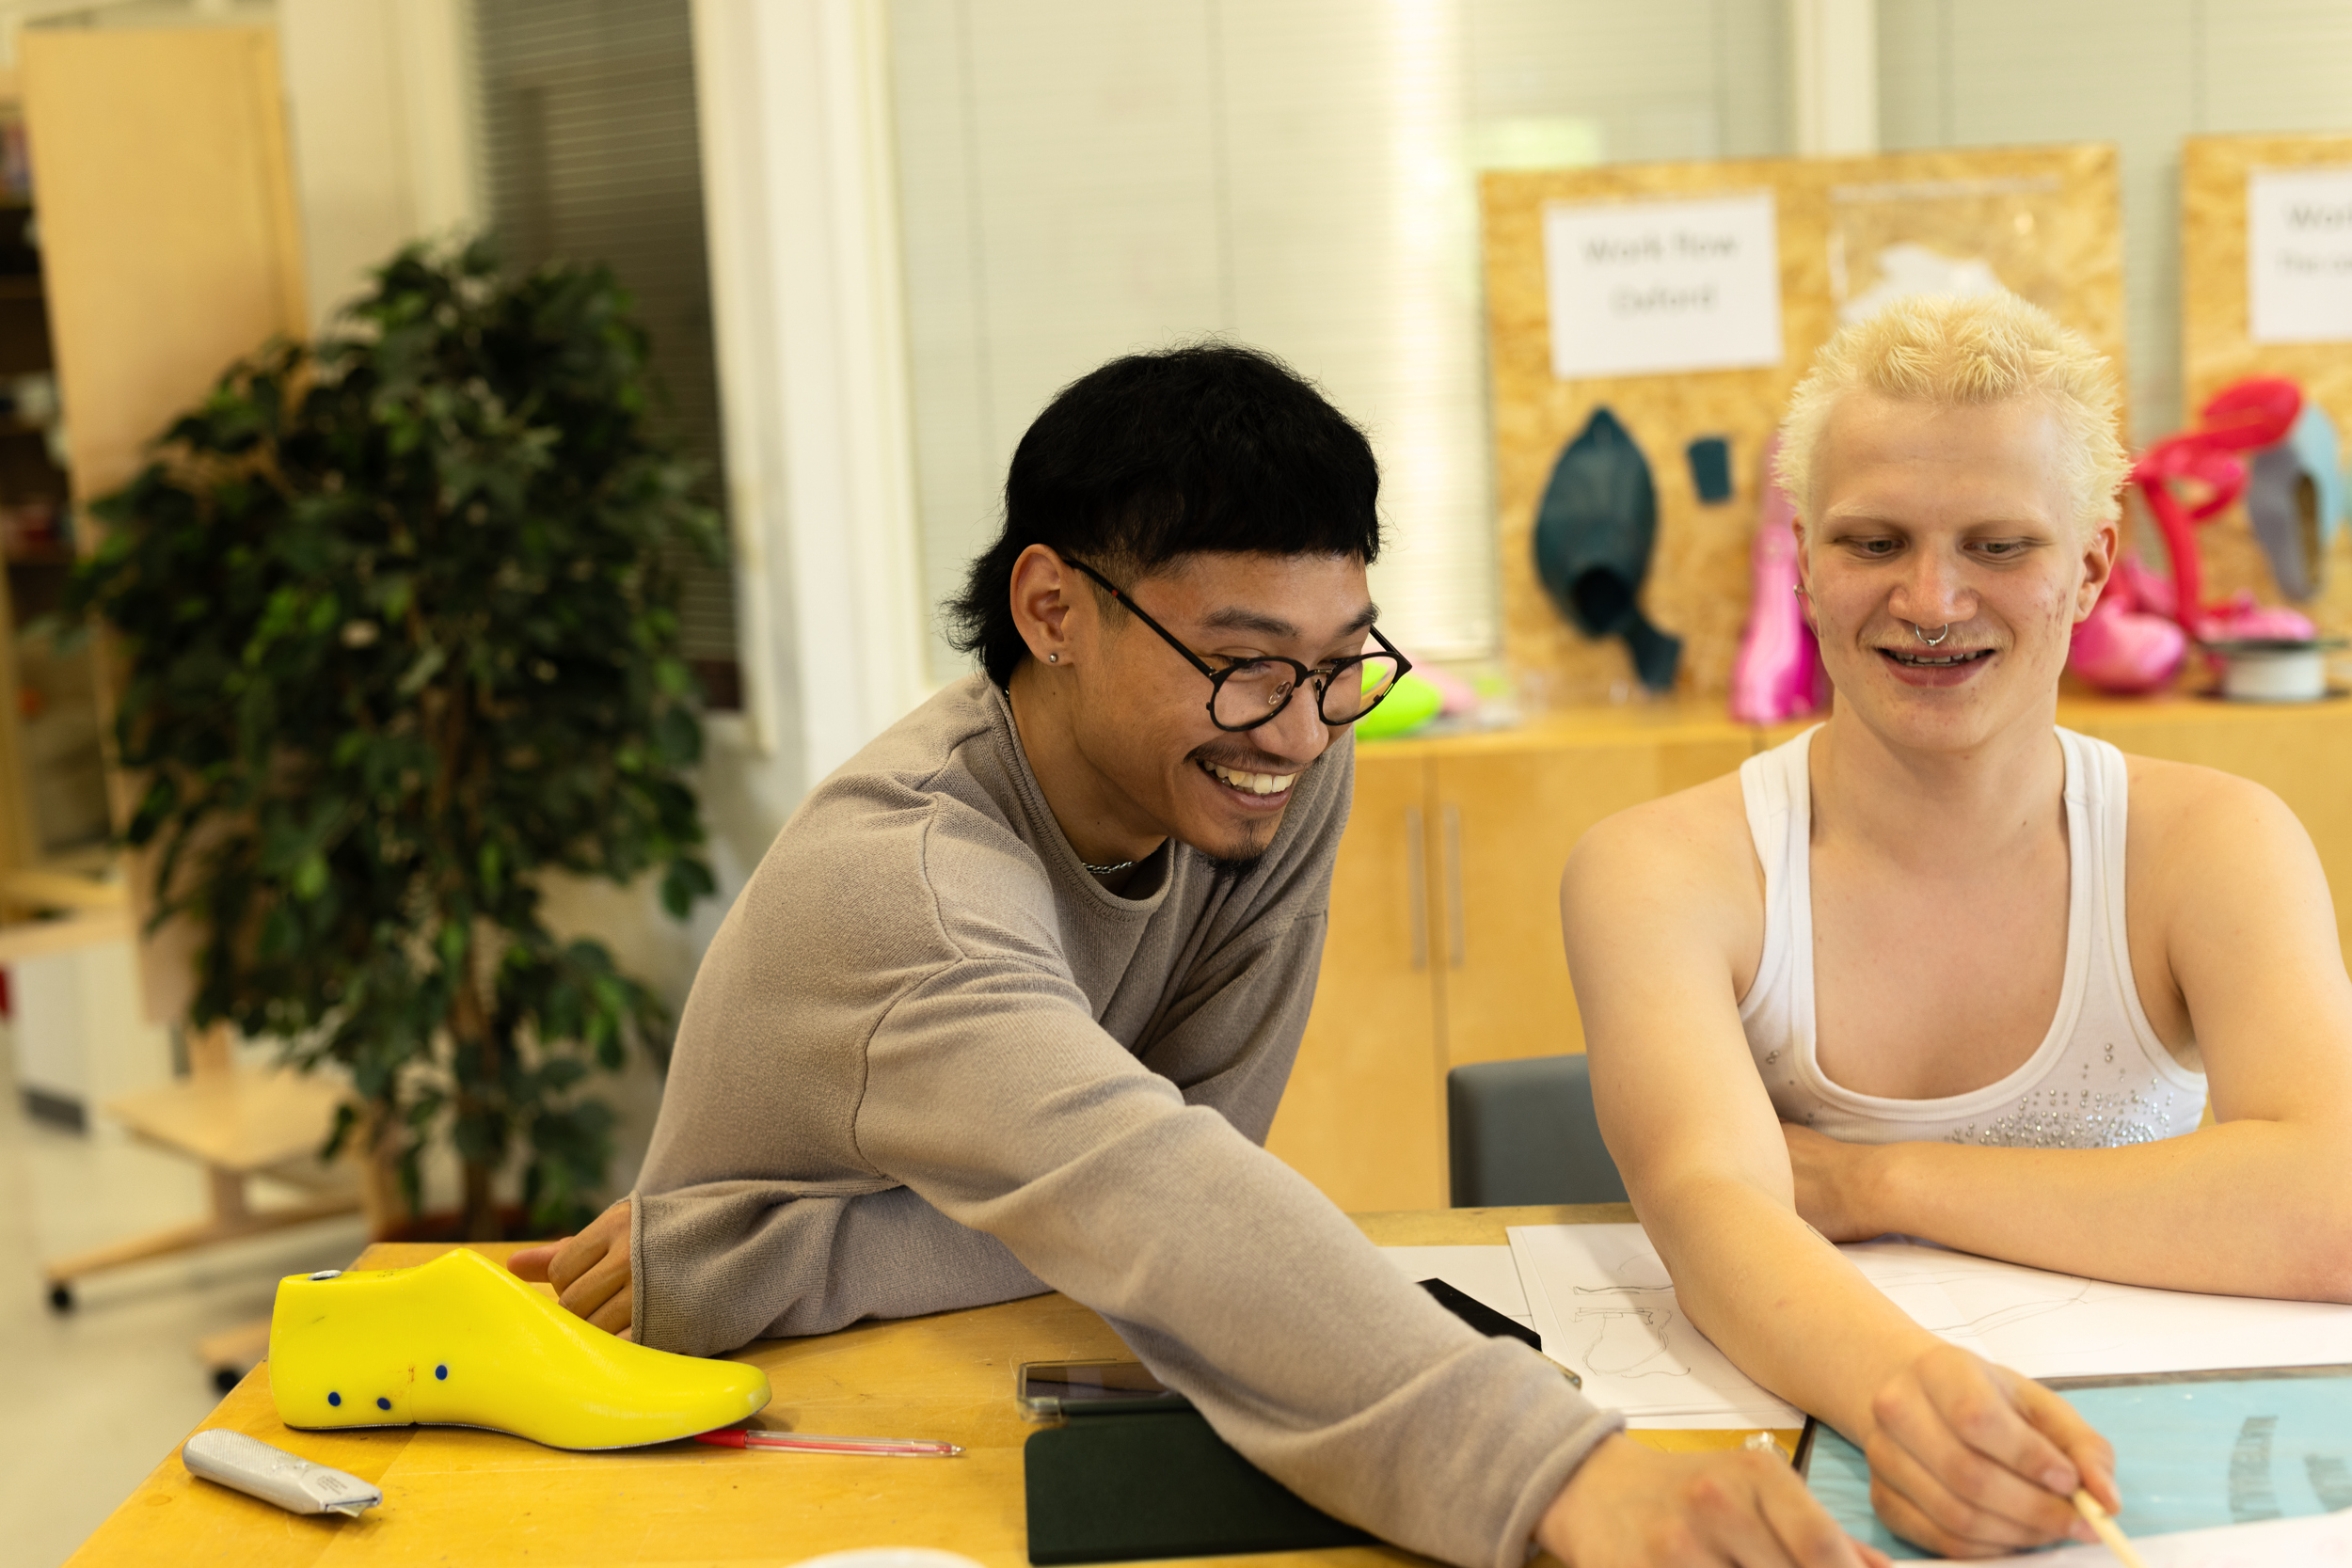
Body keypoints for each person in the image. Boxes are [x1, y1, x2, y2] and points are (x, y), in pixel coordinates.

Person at [511, 344, 1884, 1568]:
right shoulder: (914, 891)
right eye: (1241, 660)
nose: (1296, 730)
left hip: (999, 1357)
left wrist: (807, 1252)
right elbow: (1155, 1195)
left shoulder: (1268, 760)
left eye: (1340, 663)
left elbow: (1192, 1150)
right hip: (775, 1436)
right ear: (1051, 610)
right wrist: (1562, 1472)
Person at [1561, 293, 2352, 1559]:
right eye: (1875, 542)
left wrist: (1879, 1180)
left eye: (1997, 547)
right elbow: (1712, 1209)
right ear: (1807, 562)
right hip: (1834, 1445)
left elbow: (2331, 1207)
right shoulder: (1659, 870)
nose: (1931, 601)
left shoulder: (2215, 843)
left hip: (2153, 1460)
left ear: (2091, 566)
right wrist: (1904, 1395)